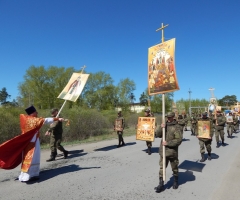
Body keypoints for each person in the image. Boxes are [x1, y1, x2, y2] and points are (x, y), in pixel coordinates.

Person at [0, 105, 65, 182]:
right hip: (32, 143)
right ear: (32, 113)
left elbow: (42, 120)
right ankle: (30, 175)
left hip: (28, 142)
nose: (37, 113)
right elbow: (45, 120)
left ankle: (27, 174)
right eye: (35, 112)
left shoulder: (25, 119)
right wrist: (57, 118)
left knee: (27, 159)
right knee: (33, 158)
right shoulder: (32, 120)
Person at [154, 112, 182, 193]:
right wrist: (160, 127)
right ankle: (161, 184)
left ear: (173, 117)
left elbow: (178, 140)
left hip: (172, 152)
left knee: (175, 168)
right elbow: (158, 134)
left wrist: (168, 143)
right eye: (167, 117)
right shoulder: (164, 125)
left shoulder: (177, 127)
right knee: (162, 168)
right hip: (163, 151)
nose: (168, 119)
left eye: (170, 117)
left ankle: (176, 181)